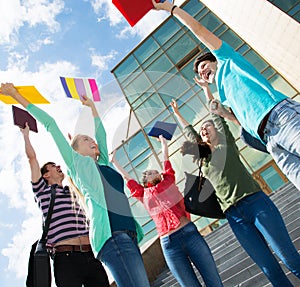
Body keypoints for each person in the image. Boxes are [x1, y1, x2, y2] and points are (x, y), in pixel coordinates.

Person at [1, 83, 150, 287]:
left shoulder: (104, 163)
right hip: (112, 237)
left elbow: (102, 136)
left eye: (92, 139)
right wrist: (16, 95)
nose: (93, 141)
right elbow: (50, 124)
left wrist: (92, 108)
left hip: (128, 233)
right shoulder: (78, 165)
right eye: (86, 139)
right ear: (76, 151)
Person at [152, 0, 300, 191]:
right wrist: (224, 114)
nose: (202, 72)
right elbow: (242, 122)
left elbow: (198, 29)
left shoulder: (228, 60)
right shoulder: (223, 93)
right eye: (199, 73)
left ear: (214, 60)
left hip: (280, 117)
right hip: (269, 140)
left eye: (204, 66)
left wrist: (169, 9)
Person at [170, 83, 300, 286]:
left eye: (208, 126)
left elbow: (215, 116)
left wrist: (206, 91)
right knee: (268, 268)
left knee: (288, 256)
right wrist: (177, 114)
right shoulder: (203, 158)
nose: (204, 129)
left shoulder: (225, 144)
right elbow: (190, 134)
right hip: (234, 216)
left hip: (255, 202)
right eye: (202, 129)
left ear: (217, 130)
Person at [111, 135, 223, 287]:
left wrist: (163, 143)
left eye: (156, 171)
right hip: (169, 244)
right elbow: (127, 177)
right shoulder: (142, 194)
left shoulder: (168, 180)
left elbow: (166, 159)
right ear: (145, 181)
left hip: (189, 234)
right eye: (150, 172)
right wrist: (115, 162)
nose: (155, 172)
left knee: (213, 280)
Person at [21, 124, 109, 287]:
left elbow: (80, 167)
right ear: (46, 174)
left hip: (90, 255)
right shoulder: (43, 192)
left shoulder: (75, 190)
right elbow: (32, 159)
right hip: (65, 259)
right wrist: (26, 135)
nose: (59, 167)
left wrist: (75, 151)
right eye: (54, 166)